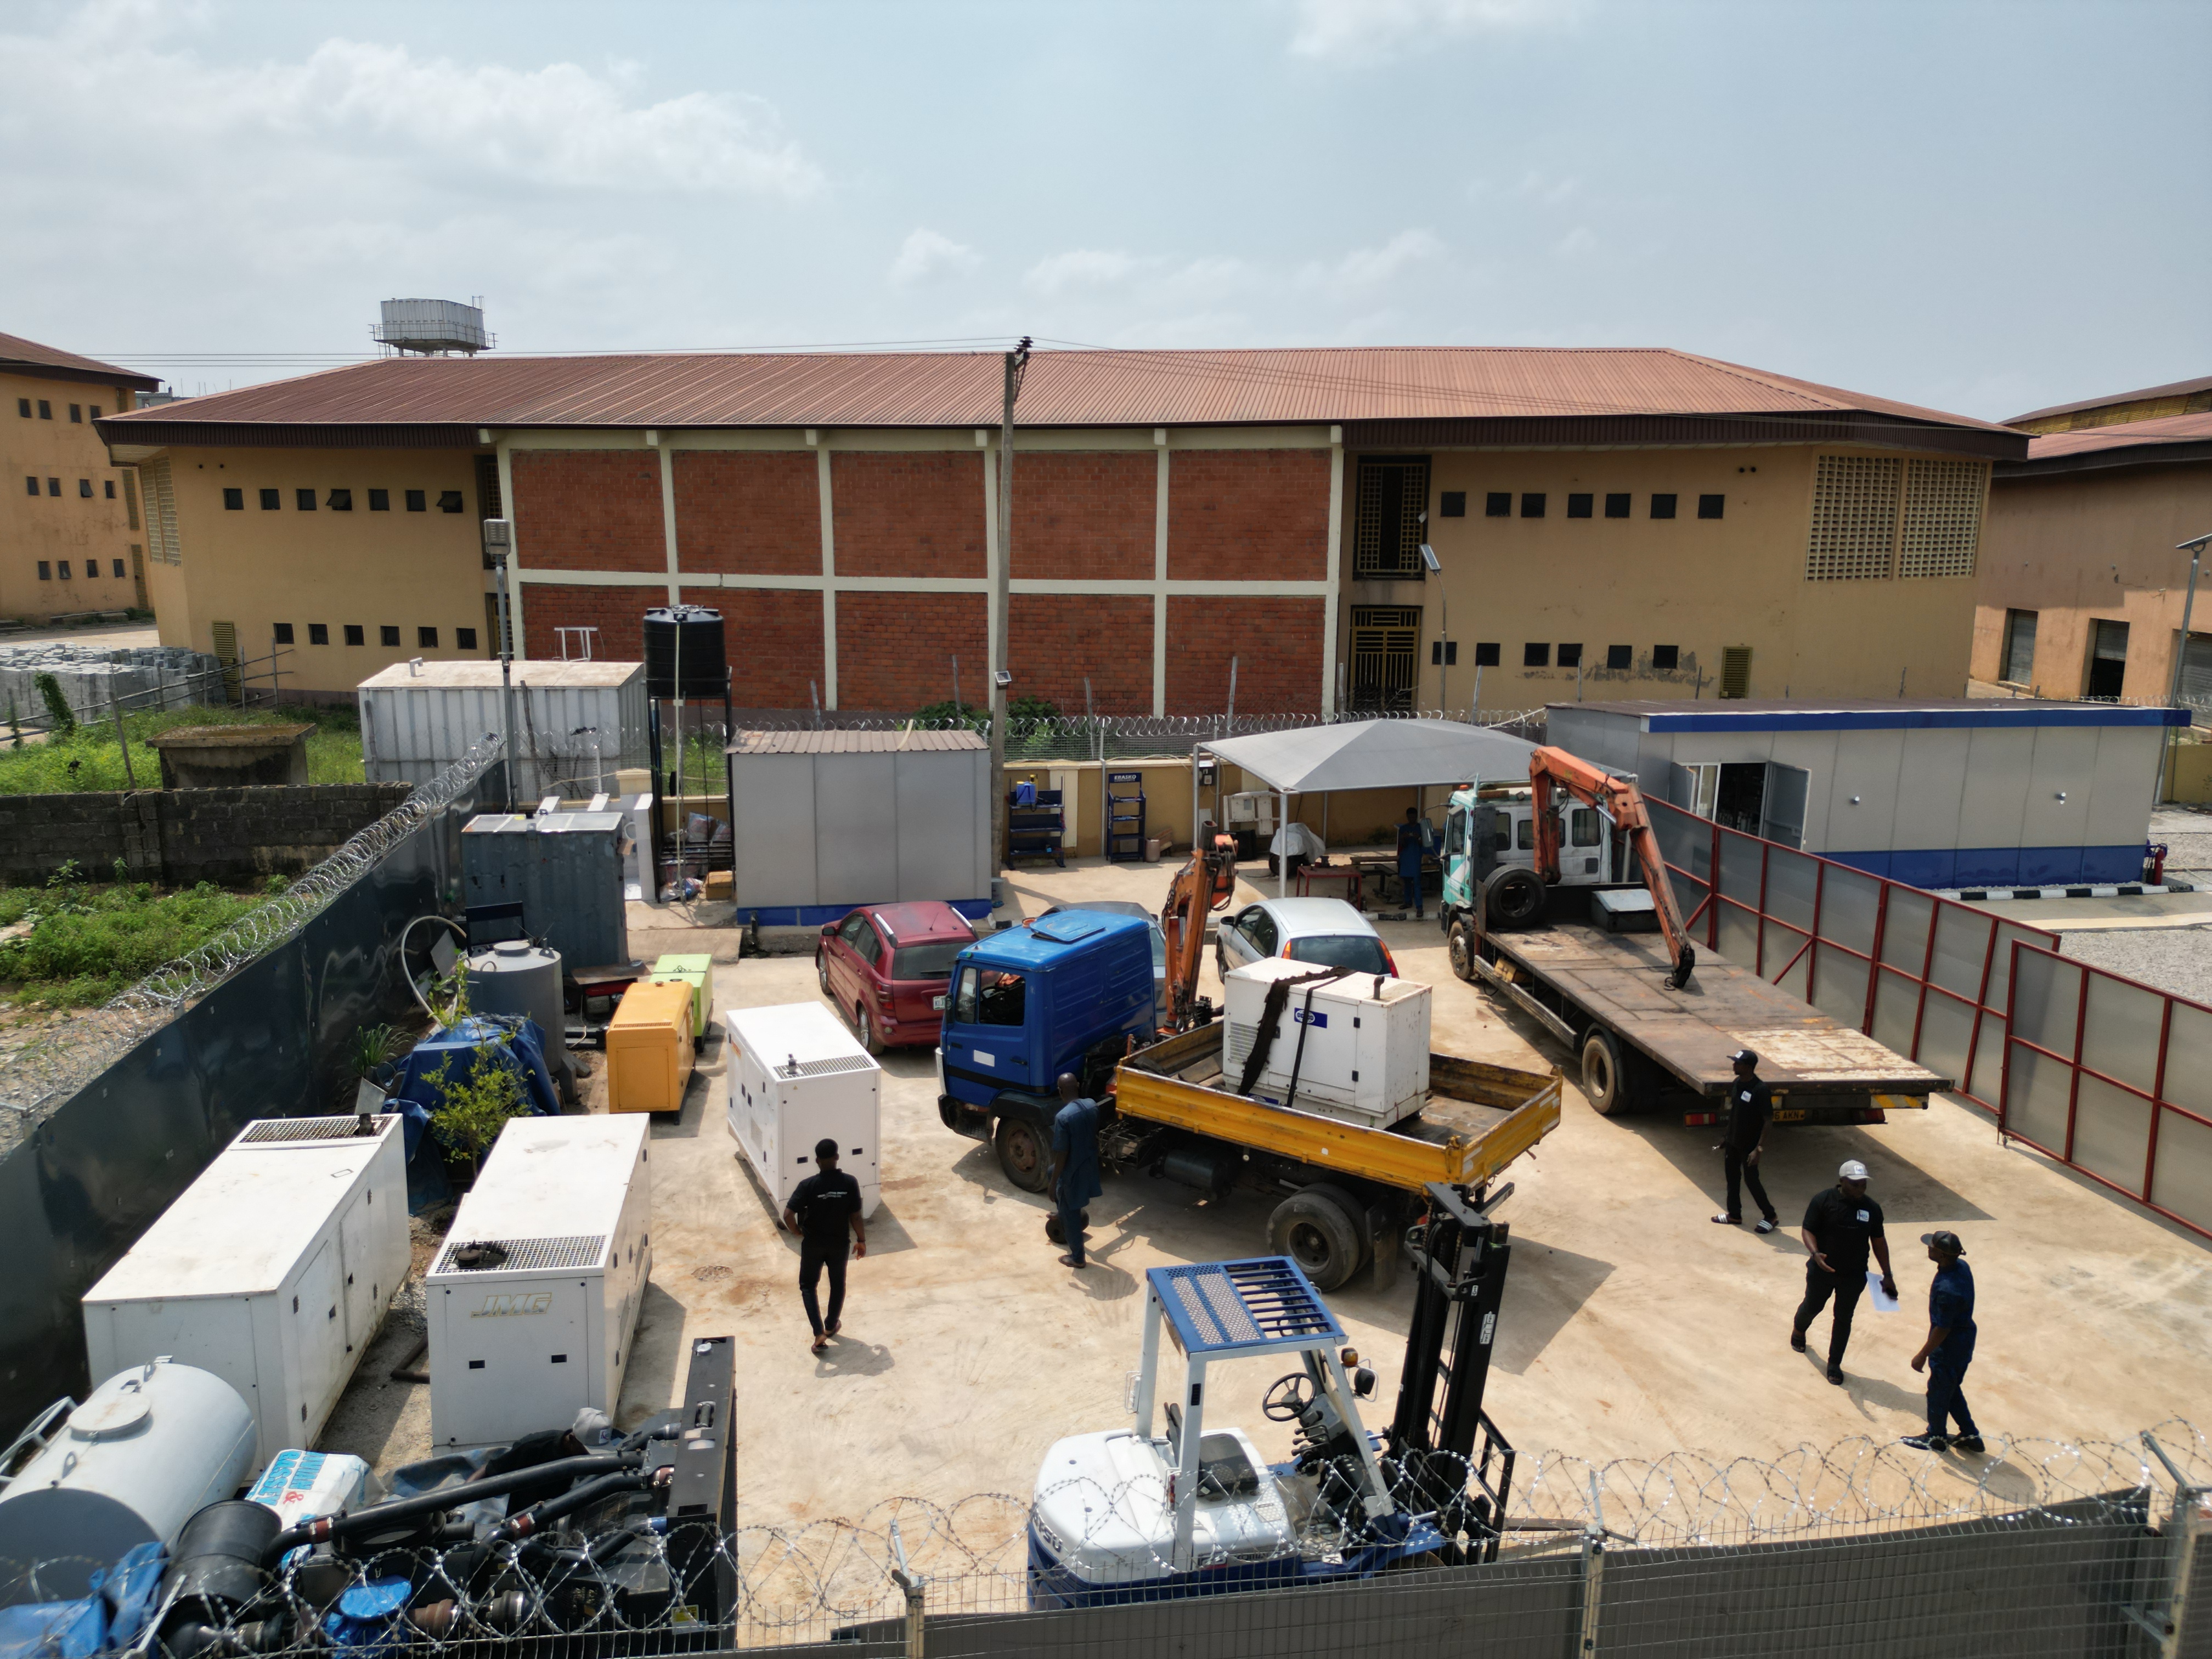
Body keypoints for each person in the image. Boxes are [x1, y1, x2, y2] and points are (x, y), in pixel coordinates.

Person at [1792, 1158, 1896, 1384]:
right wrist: (1815, 1253)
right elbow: (1808, 1229)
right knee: (1813, 1306)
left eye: (1863, 1184)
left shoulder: (1872, 1209)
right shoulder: (1823, 1200)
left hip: (1854, 1275)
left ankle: (1834, 1364)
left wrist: (1887, 1275)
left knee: (1843, 1318)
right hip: (1823, 1271)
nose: (1860, 1188)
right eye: (1855, 1183)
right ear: (1842, 1181)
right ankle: (1799, 1330)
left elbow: (1878, 1241)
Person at [782, 1137, 866, 1355]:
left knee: (808, 1286)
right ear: (837, 1157)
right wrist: (861, 1240)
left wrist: (797, 1232)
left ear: (817, 1160)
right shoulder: (850, 1183)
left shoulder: (808, 1185)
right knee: (838, 1284)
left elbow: (788, 1214)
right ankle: (830, 1325)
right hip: (839, 1244)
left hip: (813, 1244)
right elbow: (856, 1215)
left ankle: (819, 1332)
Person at [1903, 1231, 1984, 1453]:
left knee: (1938, 1391)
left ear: (1943, 1255)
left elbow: (1943, 1328)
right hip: (1965, 1341)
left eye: (1933, 1248)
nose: (1928, 1249)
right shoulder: (1962, 1268)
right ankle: (1970, 1433)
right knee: (1951, 1387)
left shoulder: (1946, 1290)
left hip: (1949, 1347)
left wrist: (1922, 1355)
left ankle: (1935, 1436)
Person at [1710, 1049, 1779, 1232]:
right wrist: (1726, 1137)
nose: (1734, 1065)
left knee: (1751, 1181)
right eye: (1734, 1062)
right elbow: (1734, 1113)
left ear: (1748, 1067)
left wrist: (1759, 1149)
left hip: (1749, 1146)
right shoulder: (1737, 1083)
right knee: (1732, 1178)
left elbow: (1768, 1121)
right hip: (1733, 1142)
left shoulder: (1760, 1090)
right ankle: (1734, 1215)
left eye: (1737, 1063)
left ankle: (1770, 1216)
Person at [1049, 1072, 1103, 1270]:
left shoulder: (1063, 1117)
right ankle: (1061, 1210)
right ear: (1078, 1085)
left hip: (1073, 1170)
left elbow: (1062, 1154)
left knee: (1070, 1214)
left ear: (1060, 1091)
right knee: (1050, 1171)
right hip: (1089, 1162)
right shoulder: (1091, 1105)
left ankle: (1078, 1257)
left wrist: (1054, 1184)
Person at [1396, 807, 1434, 918]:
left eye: (1414, 817)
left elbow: (1426, 843)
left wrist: (1418, 839)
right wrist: (1404, 838)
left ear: (1416, 817)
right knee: (1407, 882)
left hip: (1416, 857)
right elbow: (1401, 845)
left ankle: (1419, 907)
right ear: (1407, 817)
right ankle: (1408, 902)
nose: (1412, 819)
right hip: (1406, 858)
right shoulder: (1403, 829)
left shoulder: (1421, 828)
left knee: (1417, 883)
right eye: (1410, 817)